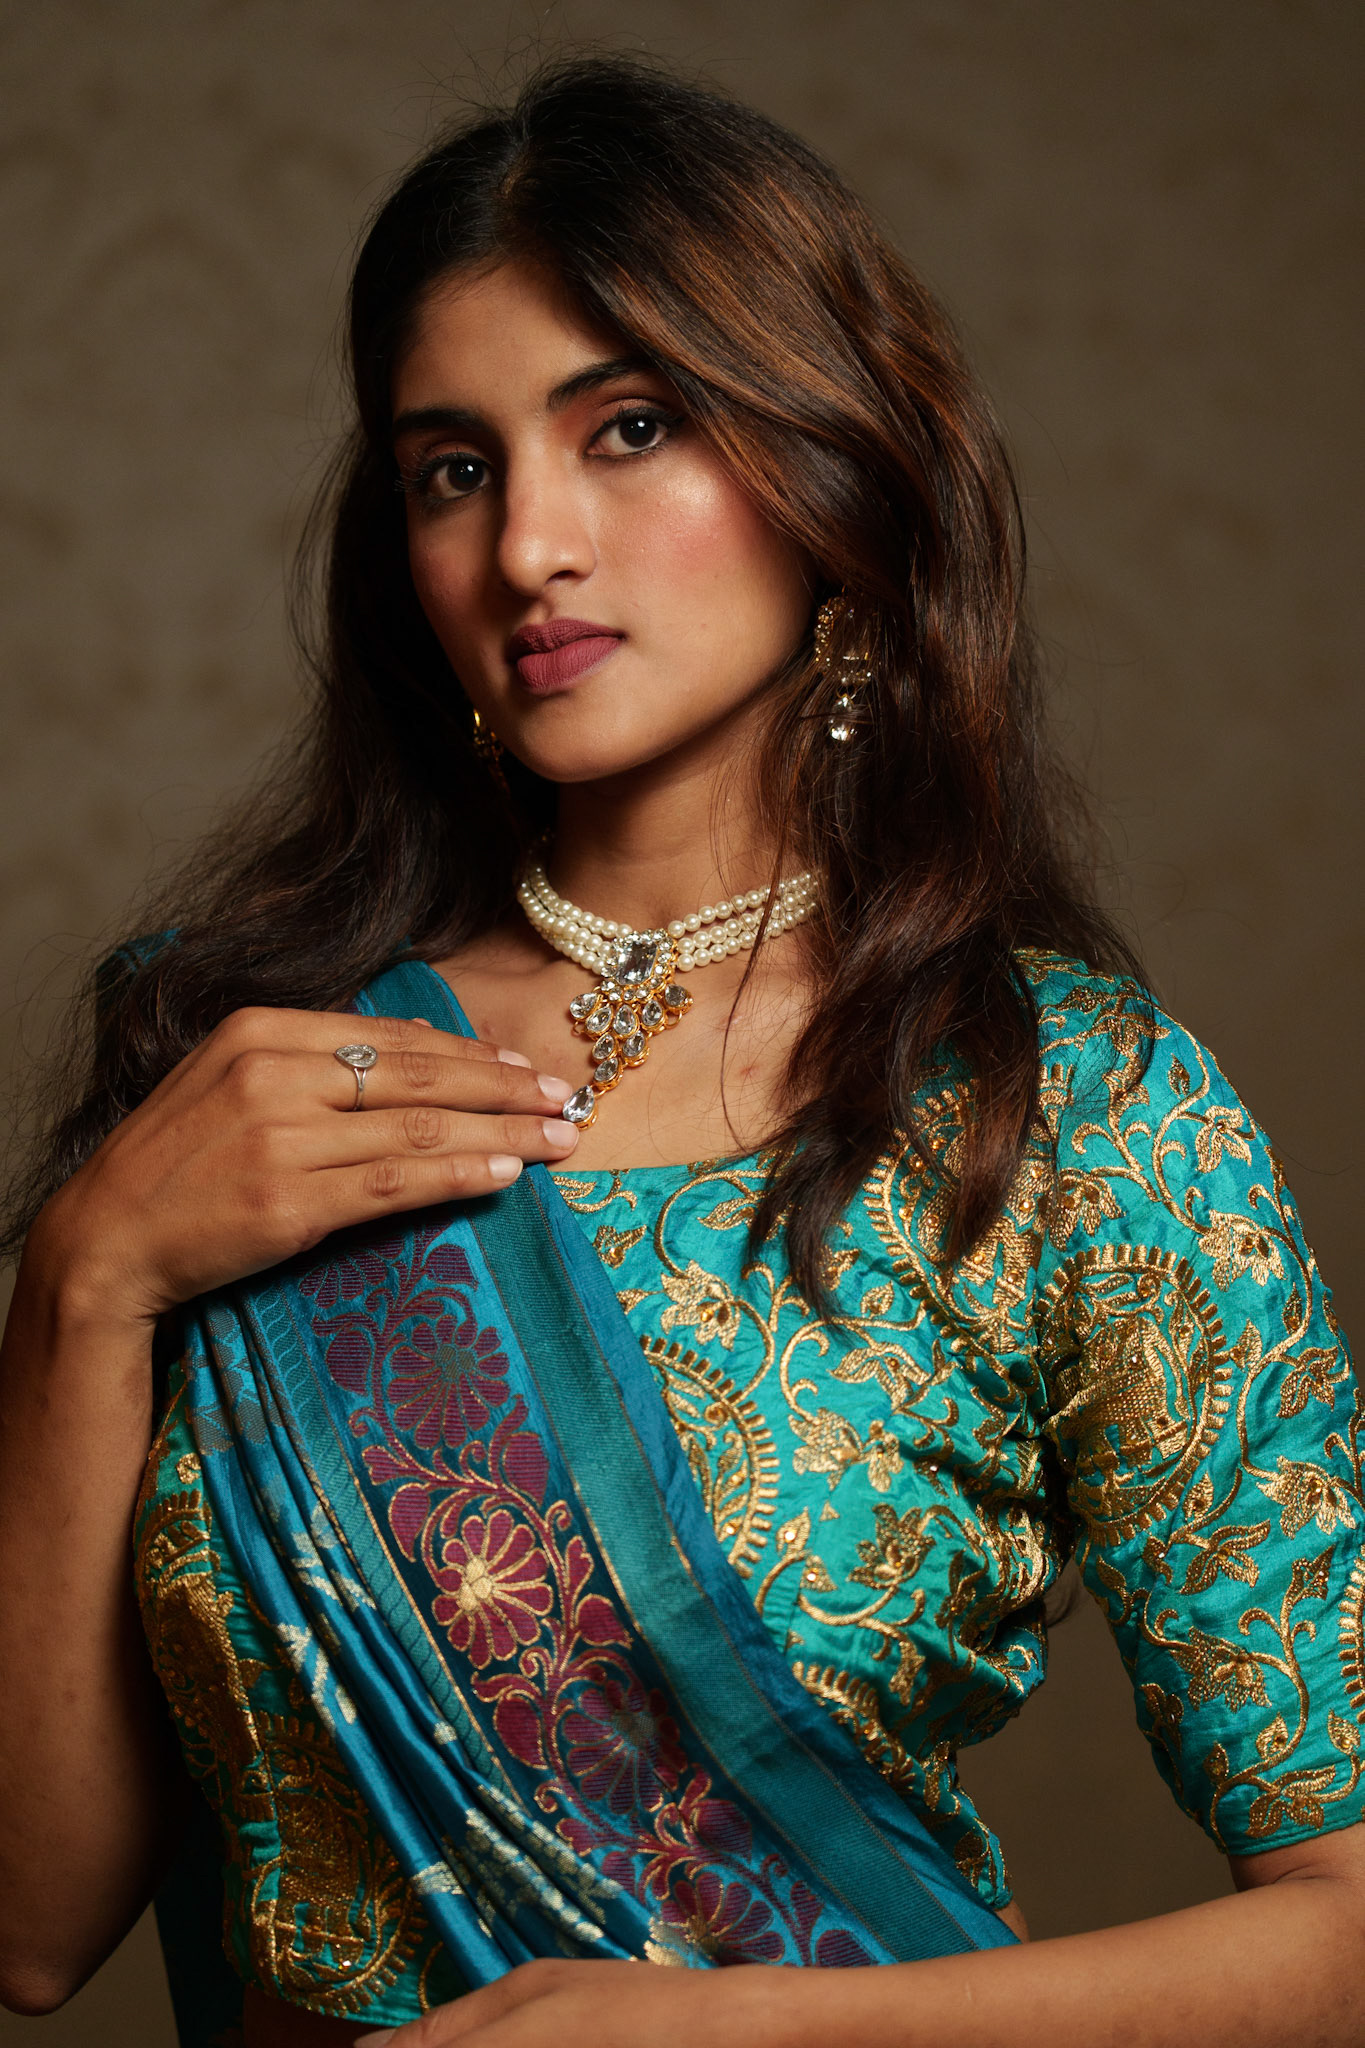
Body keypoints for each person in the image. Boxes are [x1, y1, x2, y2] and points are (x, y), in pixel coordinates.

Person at [1, 52, 1361, 2048]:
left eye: (628, 428)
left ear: (829, 464)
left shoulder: (1064, 1107)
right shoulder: (253, 1076)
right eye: (452, 469)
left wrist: (748, 2033)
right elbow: (30, 1931)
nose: (528, 546)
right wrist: (85, 1277)